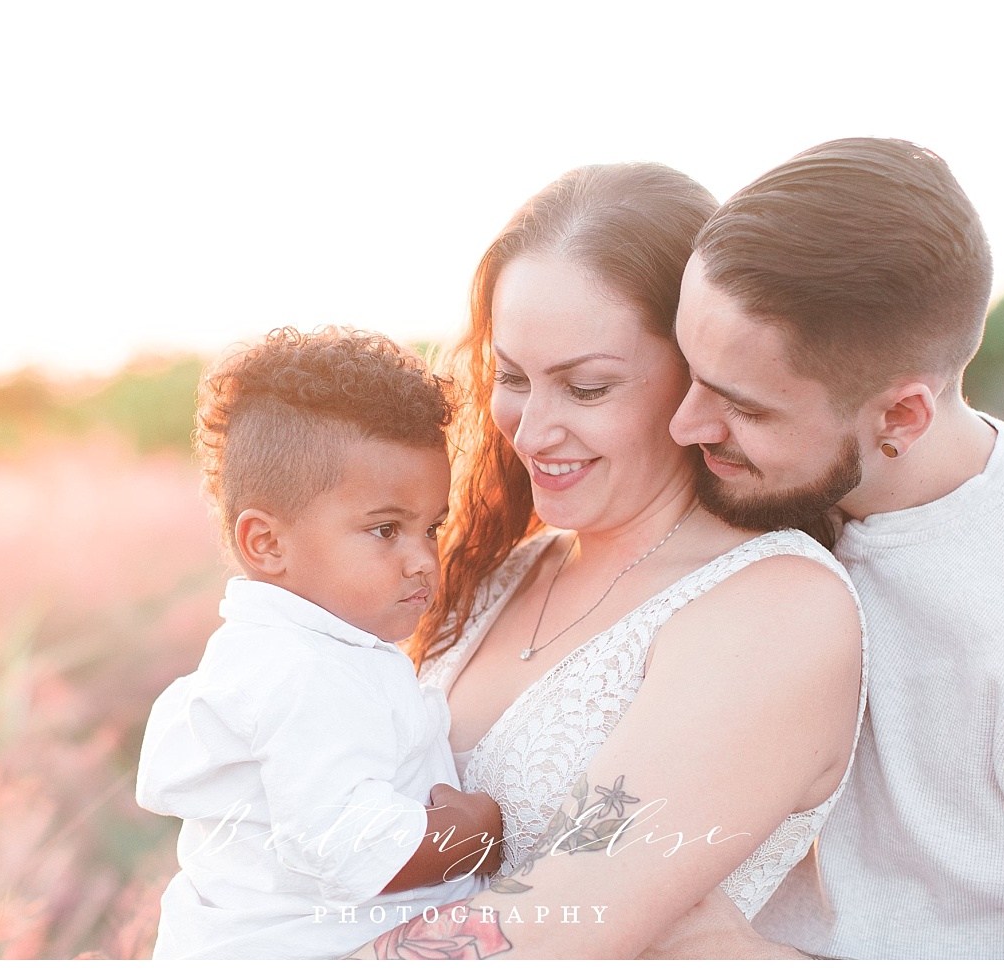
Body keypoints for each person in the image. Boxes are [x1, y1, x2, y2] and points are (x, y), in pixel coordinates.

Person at [649, 137, 1004, 958]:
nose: (684, 426)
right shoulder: (737, 496)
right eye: (689, 369)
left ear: (902, 417)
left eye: (744, 406)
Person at [349, 163, 868, 959]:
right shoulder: (505, 572)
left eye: (587, 389)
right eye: (513, 378)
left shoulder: (774, 611)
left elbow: (547, 931)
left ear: (698, 380)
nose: (531, 432)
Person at [135, 327, 503, 959]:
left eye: (432, 527)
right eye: (385, 529)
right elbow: (345, 847)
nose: (422, 559)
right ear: (267, 544)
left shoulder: (296, 651)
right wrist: (476, 835)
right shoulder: (305, 673)